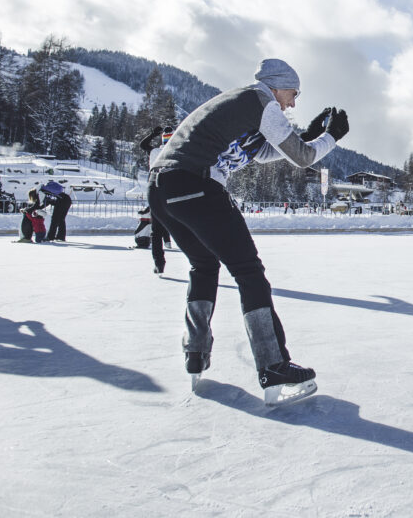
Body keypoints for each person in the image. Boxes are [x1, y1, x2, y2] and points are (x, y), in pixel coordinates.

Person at [148, 58, 346, 405]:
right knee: (249, 273)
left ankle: (195, 352)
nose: (293, 103)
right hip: (196, 184)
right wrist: (331, 137)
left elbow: (267, 152)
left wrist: (309, 135)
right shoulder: (261, 102)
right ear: (277, 85)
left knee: (204, 266)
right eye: (293, 94)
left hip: (162, 188)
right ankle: (274, 366)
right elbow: (303, 158)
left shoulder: (244, 107)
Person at [140, 125, 175, 273]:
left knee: (156, 231)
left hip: (154, 189)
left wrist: (152, 134)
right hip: (173, 190)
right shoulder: (177, 151)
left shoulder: (154, 151)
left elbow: (143, 145)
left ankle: (159, 263)